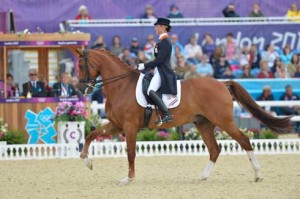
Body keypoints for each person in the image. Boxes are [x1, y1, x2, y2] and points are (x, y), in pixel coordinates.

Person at [138, 18, 176, 125]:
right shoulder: (161, 41)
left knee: (151, 90)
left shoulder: (165, 42)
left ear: (163, 27)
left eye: (157, 26)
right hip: (157, 70)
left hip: (162, 71)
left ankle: (167, 114)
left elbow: (159, 60)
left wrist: (144, 65)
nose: (155, 28)